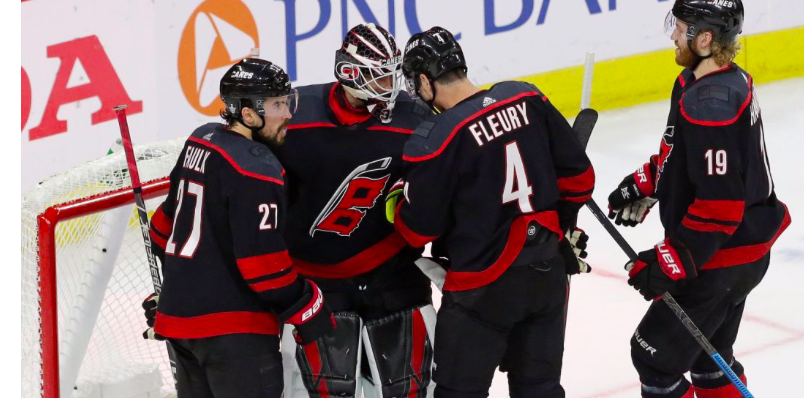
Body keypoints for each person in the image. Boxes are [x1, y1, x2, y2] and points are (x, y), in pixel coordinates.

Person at [394, 26, 595, 398]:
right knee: (540, 389)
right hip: (547, 276)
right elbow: (581, 179)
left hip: (481, 292)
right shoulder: (527, 96)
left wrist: (398, 202)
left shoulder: (434, 139)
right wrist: (558, 229)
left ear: (424, 79)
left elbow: (417, 232)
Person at [607, 1, 791, 397]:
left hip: (723, 257)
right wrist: (646, 182)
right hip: (738, 249)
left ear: (704, 39)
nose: (673, 35)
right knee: (709, 358)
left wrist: (672, 259)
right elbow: (679, 153)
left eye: (681, 28)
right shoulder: (703, 82)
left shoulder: (712, 105)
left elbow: (719, 207)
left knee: (654, 357)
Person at [142, 58, 334, 398]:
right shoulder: (257, 168)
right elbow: (265, 271)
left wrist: (177, 291)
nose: (288, 113)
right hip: (234, 337)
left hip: (180, 327)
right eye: (277, 104)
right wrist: (308, 303)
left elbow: (162, 229)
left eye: (286, 101)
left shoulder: (199, 141)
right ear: (248, 114)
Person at [275, 23, 436, 398]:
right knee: (324, 390)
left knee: (410, 388)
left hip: (393, 273)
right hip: (314, 282)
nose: (391, 88)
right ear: (349, 72)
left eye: (391, 75)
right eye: (379, 78)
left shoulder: (414, 119)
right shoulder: (293, 118)